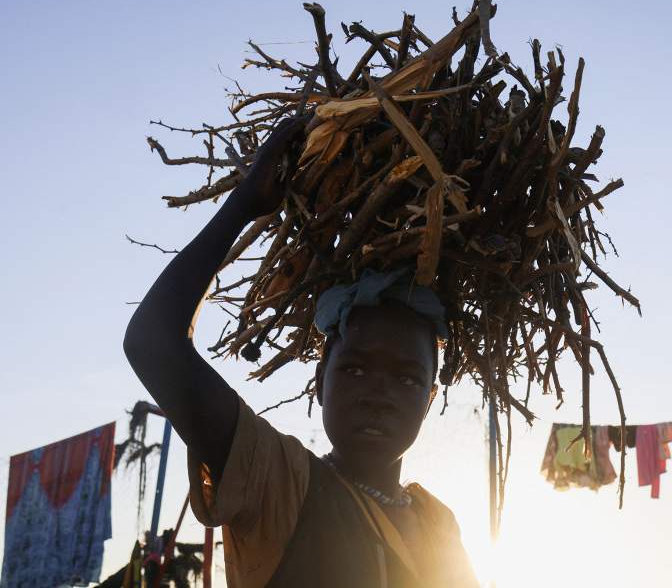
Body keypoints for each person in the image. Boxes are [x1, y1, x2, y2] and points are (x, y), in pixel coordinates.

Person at [123, 117, 480, 588]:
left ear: (431, 398)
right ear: (319, 381)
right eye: (353, 369)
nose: (378, 393)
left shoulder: (439, 524)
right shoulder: (280, 481)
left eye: (408, 378)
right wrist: (245, 204)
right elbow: (153, 342)